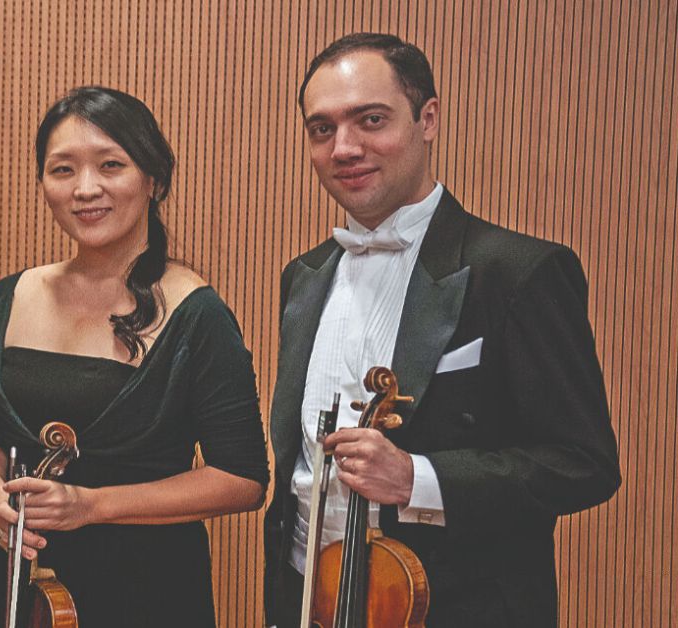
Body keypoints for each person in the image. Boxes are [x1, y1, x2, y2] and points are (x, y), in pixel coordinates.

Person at [261, 33, 620, 627]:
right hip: (308, 602)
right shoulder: (302, 277)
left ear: (427, 119)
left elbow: (583, 464)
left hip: (458, 607)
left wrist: (418, 479)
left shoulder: (519, 272)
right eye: (322, 129)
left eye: (371, 120)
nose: (344, 147)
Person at [0, 86, 269, 626]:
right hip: (16, 583)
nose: (86, 189)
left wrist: (90, 505)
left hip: (144, 589)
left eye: (110, 165)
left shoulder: (197, 312)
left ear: (153, 179)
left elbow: (242, 479)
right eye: (63, 170)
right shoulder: (12, 295)